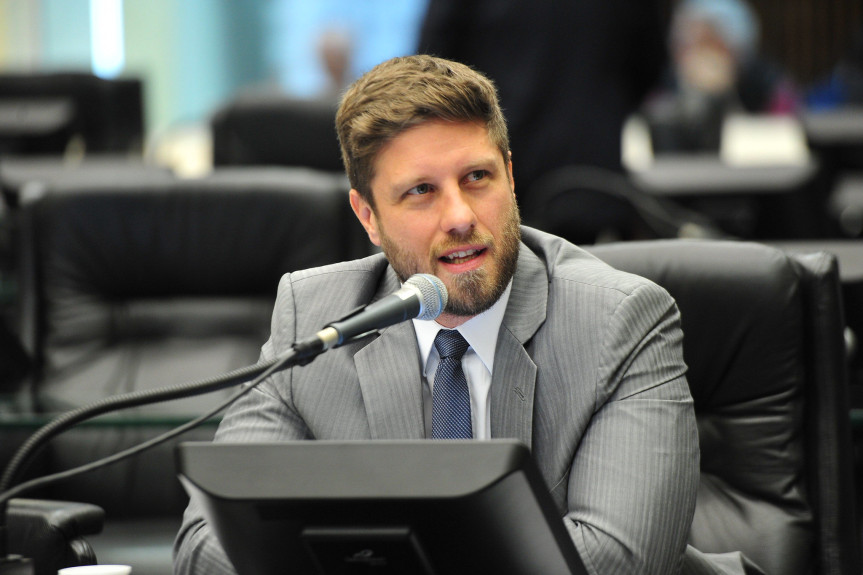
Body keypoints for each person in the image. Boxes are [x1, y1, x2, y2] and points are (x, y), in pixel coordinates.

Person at [174, 55, 759, 574]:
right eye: (421, 192)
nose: (459, 216)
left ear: (510, 174)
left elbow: (619, 561)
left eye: (477, 178)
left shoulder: (621, 322)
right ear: (368, 216)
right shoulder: (316, 319)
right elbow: (207, 546)